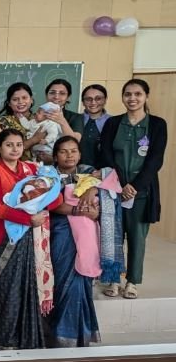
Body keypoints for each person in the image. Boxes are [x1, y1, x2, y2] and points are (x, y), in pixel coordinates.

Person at [0, 129, 62, 349]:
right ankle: (2, 340)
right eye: (9, 145)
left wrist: (45, 200)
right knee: (7, 290)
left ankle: (27, 338)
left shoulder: (32, 170)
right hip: (4, 238)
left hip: (33, 237)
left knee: (29, 288)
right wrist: (28, 218)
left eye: (18, 144)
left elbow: (54, 197)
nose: (15, 149)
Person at [99, 78, 167, 300]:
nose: (132, 98)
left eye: (138, 94)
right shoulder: (113, 123)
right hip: (114, 189)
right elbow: (106, 154)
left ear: (146, 96)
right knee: (113, 235)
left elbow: (155, 160)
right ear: (122, 97)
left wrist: (135, 186)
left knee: (137, 238)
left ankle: (132, 281)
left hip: (141, 191)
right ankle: (114, 279)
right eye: (128, 94)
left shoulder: (157, 124)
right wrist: (119, 184)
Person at [47, 136, 103, 347]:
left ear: (80, 154)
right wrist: (80, 211)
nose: (69, 155)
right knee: (64, 283)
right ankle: (60, 336)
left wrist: (93, 189)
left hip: (87, 236)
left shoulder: (89, 173)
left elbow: (110, 194)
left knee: (81, 284)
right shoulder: (48, 176)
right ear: (55, 156)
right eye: (63, 151)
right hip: (60, 232)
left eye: (73, 151)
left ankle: (79, 336)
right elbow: (51, 204)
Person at [0, 82, 47, 162]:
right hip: (13, 166)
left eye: (24, 98)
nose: (20, 102)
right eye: (15, 99)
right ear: (9, 103)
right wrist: (34, 140)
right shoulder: (2, 122)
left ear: (31, 100)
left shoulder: (41, 119)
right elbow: (2, 151)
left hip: (42, 166)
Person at [80, 84, 110, 168]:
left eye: (98, 98)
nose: (93, 102)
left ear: (105, 100)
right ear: (83, 102)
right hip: (75, 171)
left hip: (104, 172)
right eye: (88, 99)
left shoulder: (113, 122)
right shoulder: (75, 119)